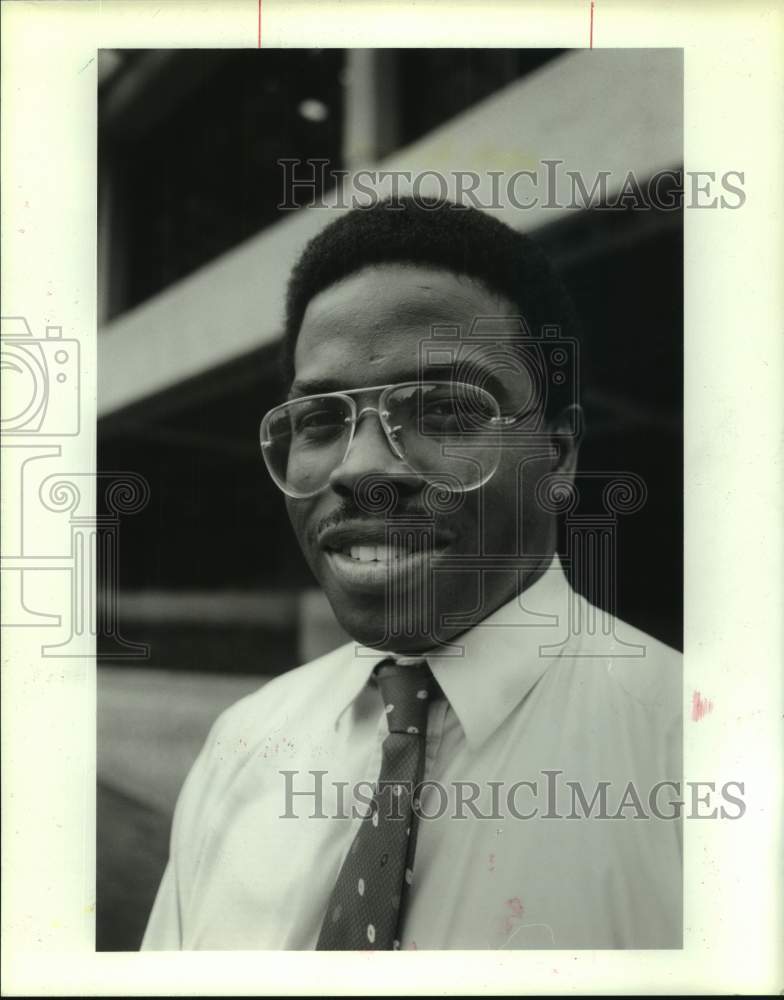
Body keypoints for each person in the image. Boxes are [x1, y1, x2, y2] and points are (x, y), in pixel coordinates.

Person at [142, 198, 682, 951]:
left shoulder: (705, 764)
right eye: (322, 422)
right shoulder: (245, 741)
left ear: (559, 456)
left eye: (445, 410)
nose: (361, 468)